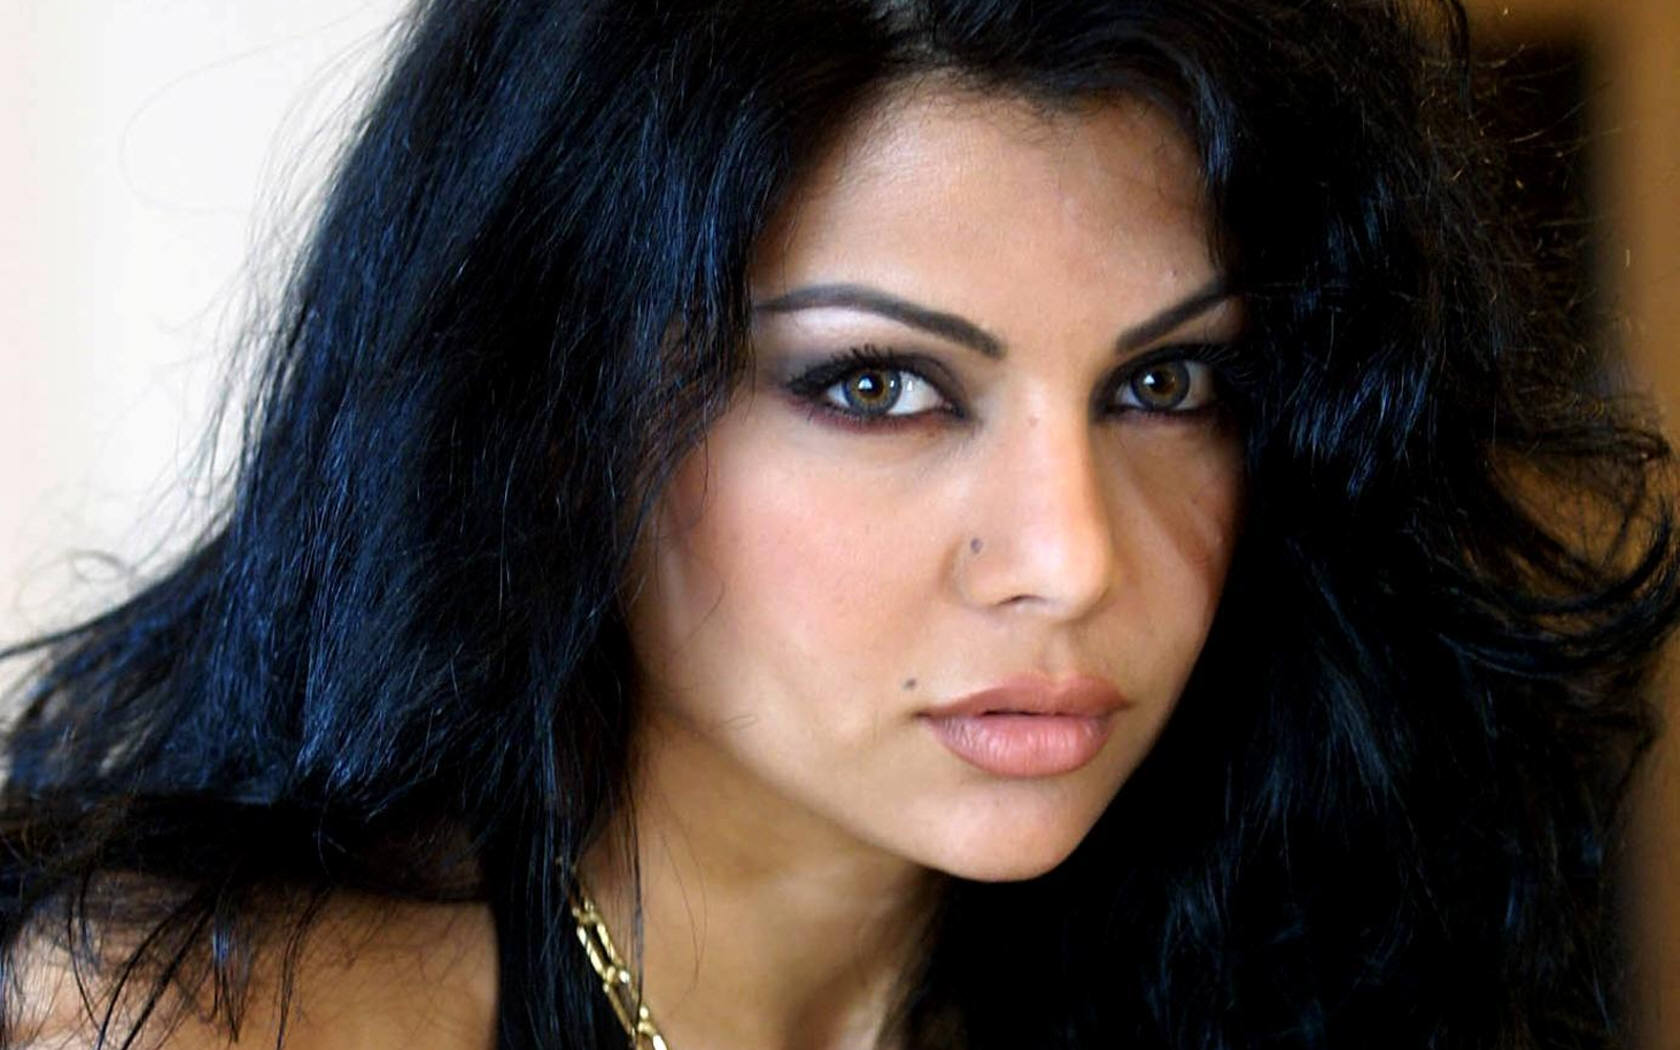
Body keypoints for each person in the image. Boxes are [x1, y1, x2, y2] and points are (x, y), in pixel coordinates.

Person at [1, 0, 1674, 1048]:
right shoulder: (214, 1020)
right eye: (879, 387)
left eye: (1165, 384)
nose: (1071, 557)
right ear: (553, 416)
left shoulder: (1304, 965)